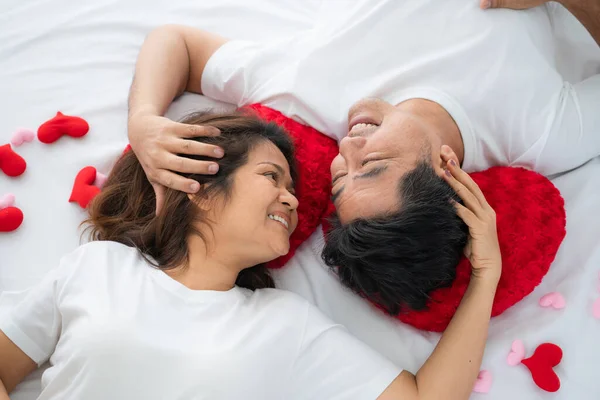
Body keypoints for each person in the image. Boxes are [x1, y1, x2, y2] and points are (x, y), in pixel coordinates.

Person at [127, 0, 600, 314]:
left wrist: (144, 120)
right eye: (368, 169)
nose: (346, 149)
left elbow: (180, 45)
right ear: (446, 167)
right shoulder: (541, 133)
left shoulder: (306, 86)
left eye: (343, 177)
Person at [1, 111, 501, 399]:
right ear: (197, 185)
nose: (291, 198)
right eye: (271, 177)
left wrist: (485, 274)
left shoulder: (285, 324)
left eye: (292, 187)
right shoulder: (99, 267)